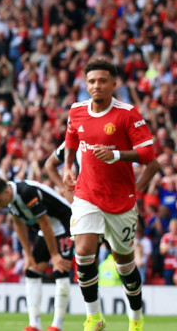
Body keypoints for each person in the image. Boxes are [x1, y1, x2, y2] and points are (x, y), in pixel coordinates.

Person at [63, 59, 156, 331]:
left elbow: (149, 155)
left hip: (120, 201)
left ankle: (136, 319)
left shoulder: (128, 114)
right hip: (87, 194)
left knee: (124, 264)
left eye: (102, 81)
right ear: (86, 84)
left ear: (114, 84)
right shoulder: (76, 111)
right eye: (91, 81)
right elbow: (71, 138)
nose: (96, 86)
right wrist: (69, 166)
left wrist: (116, 155)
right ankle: (94, 317)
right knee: (83, 252)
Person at [0, 176, 73, 331]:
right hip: (46, 229)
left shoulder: (27, 192)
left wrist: (54, 255)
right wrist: (28, 255)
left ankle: (57, 326)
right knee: (32, 271)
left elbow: (44, 222)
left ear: (6, 192)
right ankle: (34, 324)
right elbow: (18, 224)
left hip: (64, 223)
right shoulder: (9, 200)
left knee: (61, 269)